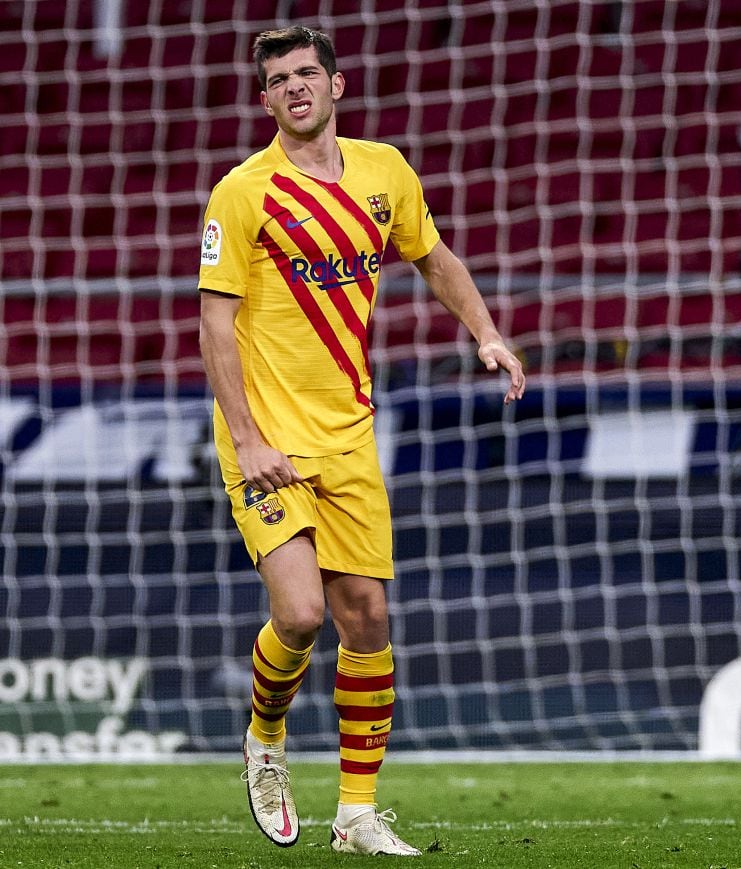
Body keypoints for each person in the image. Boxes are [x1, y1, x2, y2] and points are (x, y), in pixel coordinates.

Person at [197, 25, 525, 857]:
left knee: (368, 619)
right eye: (279, 79)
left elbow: (434, 256)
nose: (296, 87)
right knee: (302, 613)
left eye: (308, 72)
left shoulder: (385, 172)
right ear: (264, 99)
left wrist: (485, 332)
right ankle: (264, 741)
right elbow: (215, 325)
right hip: (265, 438)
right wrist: (245, 435)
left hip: (348, 434)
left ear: (337, 85)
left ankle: (355, 815)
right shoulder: (243, 193)